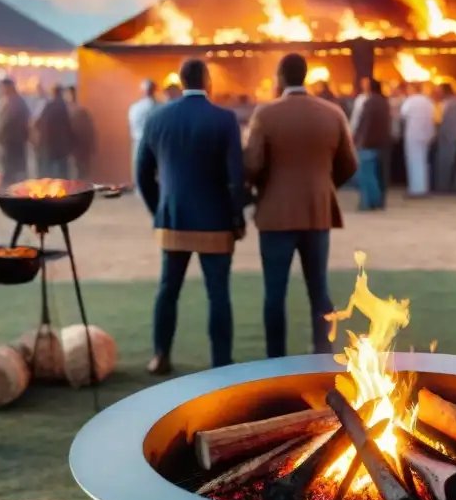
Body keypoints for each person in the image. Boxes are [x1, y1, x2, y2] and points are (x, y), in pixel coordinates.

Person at [135, 59, 246, 374]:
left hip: (173, 219)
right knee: (219, 293)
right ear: (208, 81)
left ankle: (160, 356)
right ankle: (221, 362)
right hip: (216, 221)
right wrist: (237, 217)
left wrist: (159, 207)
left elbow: (142, 174)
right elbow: (235, 177)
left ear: (181, 82)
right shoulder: (224, 119)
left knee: (168, 289)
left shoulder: (156, 118)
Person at [245, 53, 358, 358]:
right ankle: (322, 352)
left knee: (274, 293)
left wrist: (257, 187)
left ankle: (275, 357)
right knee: (318, 289)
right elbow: (349, 164)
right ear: (305, 75)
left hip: (275, 214)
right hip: (317, 211)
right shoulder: (333, 113)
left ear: (280, 76)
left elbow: (252, 164)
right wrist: (324, 185)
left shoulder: (265, 114)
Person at [354, 79, 392, 211]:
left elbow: (364, 124)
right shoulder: (384, 102)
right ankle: (379, 201)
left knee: (366, 174)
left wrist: (358, 141)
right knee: (378, 174)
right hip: (382, 143)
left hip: (368, 144)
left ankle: (369, 202)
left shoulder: (369, 103)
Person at [0, 77, 30, 185]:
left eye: (3, 88)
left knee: (12, 174)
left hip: (12, 145)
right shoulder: (3, 102)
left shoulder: (16, 103)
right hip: (5, 145)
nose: (1, 90)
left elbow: (9, 124)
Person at [400, 83, 436, 196]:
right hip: (427, 134)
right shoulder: (428, 101)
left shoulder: (410, 101)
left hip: (413, 134)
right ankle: (423, 187)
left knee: (413, 161)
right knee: (424, 161)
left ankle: (416, 189)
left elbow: (403, 114)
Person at [32, 84, 74, 178]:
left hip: (49, 148)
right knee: (63, 177)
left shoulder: (48, 106)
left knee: (48, 176)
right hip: (61, 148)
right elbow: (69, 127)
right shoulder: (64, 107)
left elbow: (37, 124)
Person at [434, 83, 456, 193]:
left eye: (439, 90)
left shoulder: (446, 104)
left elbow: (439, 121)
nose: (437, 93)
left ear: (444, 91)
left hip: (446, 137)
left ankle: (443, 188)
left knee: (445, 163)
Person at [128, 79, 158, 176]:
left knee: (140, 177)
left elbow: (132, 126)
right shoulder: (162, 107)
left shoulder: (135, 108)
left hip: (139, 146)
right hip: (157, 148)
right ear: (155, 90)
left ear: (142, 91)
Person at [66, 85, 96, 181]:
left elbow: (90, 130)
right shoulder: (79, 111)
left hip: (78, 148)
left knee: (79, 172)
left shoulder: (77, 111)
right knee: (79, 172)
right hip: (77, 148)